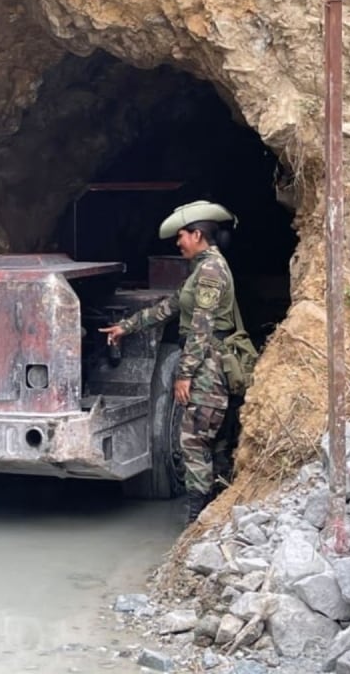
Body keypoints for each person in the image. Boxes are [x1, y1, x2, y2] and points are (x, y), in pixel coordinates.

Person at [100, 200, 246, 524]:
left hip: (209, 364)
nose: (178, 243)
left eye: (181, 236)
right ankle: (212, 511)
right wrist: (128, 326)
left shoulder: (209, 271)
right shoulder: (200, 270)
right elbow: (171, 306)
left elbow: (201, 327)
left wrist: (184, 374)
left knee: (193, 440)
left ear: (197, 235)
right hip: (205, 362)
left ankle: (197, 517)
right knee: (209, 438)